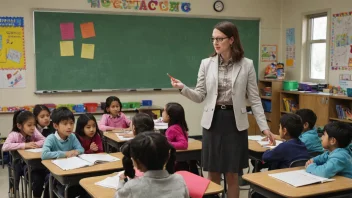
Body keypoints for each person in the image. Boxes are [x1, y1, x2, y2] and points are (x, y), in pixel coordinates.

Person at [169, 21, 275, 198]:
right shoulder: (206, 64)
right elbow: (200, 96)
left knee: (232, 174)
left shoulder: (246, 64)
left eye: (220, 38)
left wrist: (264, 127)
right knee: (213, 173)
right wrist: (183, 88)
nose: (215, 42)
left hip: (235, 123)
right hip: (213, 122)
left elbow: (255, 99)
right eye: (213, 39)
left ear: (231, 39)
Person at [116, 132, 189, 198]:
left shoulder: (131, 187)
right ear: (168, 157)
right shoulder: (179, 180)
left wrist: (121, 182)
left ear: (136, 162)